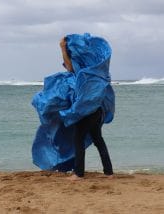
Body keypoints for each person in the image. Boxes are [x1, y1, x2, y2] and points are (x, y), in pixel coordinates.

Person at [59, 37, 114, 181]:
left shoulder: (84, 73)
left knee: (78, 139)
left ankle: (79, 174)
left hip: (86, 111)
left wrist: (63, 48)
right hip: (97, 110)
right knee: (98, 139)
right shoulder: (96, 71)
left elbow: (70, 67)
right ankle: (109, 172)